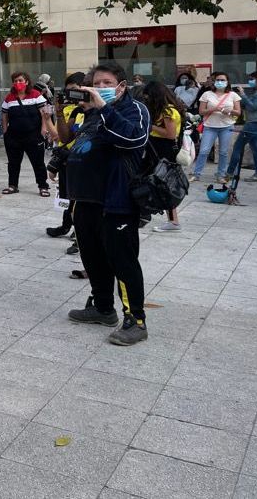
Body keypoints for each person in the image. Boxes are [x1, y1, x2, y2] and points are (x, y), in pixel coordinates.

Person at [66, 61, 151, 346]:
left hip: (116, 200)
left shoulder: (134, 110)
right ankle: (102, 307)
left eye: (106, 82)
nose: (100, 88)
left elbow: (133, 139)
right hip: (85, 199)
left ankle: (135, 320)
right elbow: (80, 142)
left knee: (122, 260)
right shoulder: (91, 112)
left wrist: (104, 108)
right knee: (92, 257)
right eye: (95, 83)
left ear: (121, 86)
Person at [0, 71, 57, 196]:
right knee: (13, 163)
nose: (18, 83)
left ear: (26, 82)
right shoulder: (9, 97)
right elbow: (4, 115)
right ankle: (12, 185)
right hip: (14, 136)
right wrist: (5, 131)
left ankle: (43, 186)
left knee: (38, 163)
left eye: (20, 80)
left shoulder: (36, 95)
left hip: (33, 135)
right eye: (15, 81)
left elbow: (44, 113)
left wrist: (44, 129)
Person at [140, 81, 187, 232]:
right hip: (157, 150)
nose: (147, 100)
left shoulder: (169, 111)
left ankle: (172, 221)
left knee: (164, 184)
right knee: (156, 183)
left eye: (148, 97)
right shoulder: (162, 110)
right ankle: (149, 214)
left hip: (164, 152)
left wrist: (150, 126)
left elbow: (170, 134)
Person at [46, 72, 86, 239]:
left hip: (84, 161)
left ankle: (79, 232)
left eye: (75, 90)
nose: (72, 95)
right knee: (66, 195)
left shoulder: (95, 111)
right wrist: (55, 114)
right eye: (69, 91)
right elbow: (61, 138)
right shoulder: (72, 110)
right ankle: (65, 226)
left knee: (80, 199)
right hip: (65, 158)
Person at [191, 71, 241, 183]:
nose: (220, 82)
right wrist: (214, 109)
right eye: (218, 80)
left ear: (227, 82)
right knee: (204, 151)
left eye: (223, 80)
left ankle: (221, 175)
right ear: (214, 82)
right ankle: (196, 174)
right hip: (210, 126)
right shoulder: (207, 94)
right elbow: (201, 111)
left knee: (223, 152)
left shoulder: (233, 95)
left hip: (226, 126)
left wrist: (230, 110)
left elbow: (238, 112)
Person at [228, 70, 257, 183]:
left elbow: (252, 107)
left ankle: (230, 172)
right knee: (256, 149)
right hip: (254, 123)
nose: (250, 82)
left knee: (238, 147)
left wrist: (242, 94)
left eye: (252, 79)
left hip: (253, 124)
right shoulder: (255, 93)